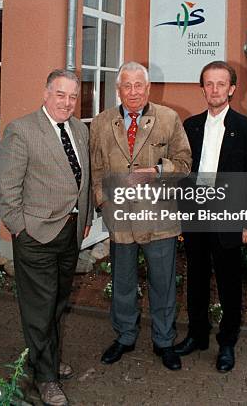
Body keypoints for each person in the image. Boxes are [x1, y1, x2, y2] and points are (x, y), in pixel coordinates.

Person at [0, 69, 91, 406]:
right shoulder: (22, 131)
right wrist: (20, 228)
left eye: (72, 96)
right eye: (60, 94)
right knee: (39, 307)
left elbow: (85, 179)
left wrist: (87, 218)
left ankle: (43, 357)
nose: (66, 102)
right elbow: (6, 188)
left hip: (70, 233)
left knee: (57, 302)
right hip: (35, 235)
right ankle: (45, 378)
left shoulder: (79, 129)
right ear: (46, 93)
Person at [90, 61, 191, 371]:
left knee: (163, 284)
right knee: (122, 282)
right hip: (119, 217)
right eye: (126, 86)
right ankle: (125, 336)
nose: (133, 91)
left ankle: (164, 340)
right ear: (118, 90)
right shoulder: (101, 122)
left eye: (139, 85)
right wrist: (102, 203)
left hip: (159, 218)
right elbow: (96, 169)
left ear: (148, 89)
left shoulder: (169, 118)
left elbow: (185, 163)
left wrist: (160, 171)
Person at [174, 61, 247, 373]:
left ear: (232, 88)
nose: (214, 89)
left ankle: (227, 342)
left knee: (229, 282)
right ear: (202, 88)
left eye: (220, 84)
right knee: (196, 279)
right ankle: (197, 336)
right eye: (209, 84)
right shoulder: (190, 126)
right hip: (195, 216)